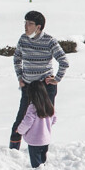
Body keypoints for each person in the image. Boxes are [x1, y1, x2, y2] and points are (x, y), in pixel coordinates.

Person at [10, 10, 68, 150]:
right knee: (21, 119)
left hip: (44, 87)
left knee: (44, 121)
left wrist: (57, 79)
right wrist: (20, 77)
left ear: (39, 27)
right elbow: (17, 59)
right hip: (28, 86)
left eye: (30, 23)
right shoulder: (23, 39)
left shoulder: (49, 41)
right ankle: (13, 153)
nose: (26, 26)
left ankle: (41, 156)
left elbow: (64, 62)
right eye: (25, 22)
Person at [16, 80, 57, 168]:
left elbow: (27, 122)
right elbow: (54, 119)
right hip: (46, 140)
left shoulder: (33, 107)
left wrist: (19, 130)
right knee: (42, 162)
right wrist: (45, 127)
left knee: (36, 166)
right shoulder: (49, 105)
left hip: (34, 142)